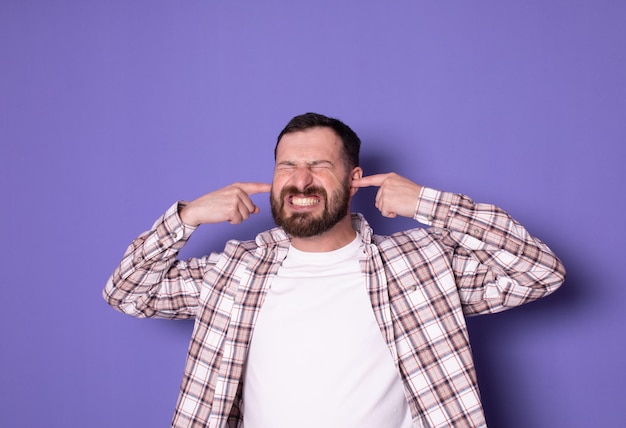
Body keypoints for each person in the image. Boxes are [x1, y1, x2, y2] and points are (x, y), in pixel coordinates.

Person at [103, 112, 565, 428]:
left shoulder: (419, 266)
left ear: (353, 179)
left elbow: (538, 272)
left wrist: (430, 203)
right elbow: (128, 293)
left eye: (319, 165)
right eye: (288, 166)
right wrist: (186, 218)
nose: (300, 180)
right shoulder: (233, 272)